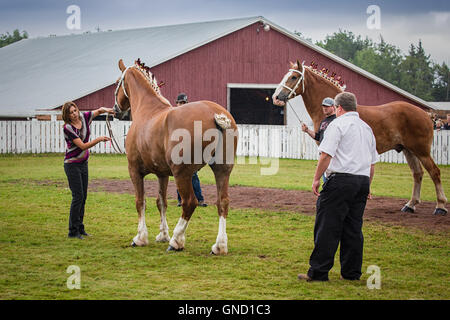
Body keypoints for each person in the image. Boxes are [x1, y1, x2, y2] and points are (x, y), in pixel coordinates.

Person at [297, 92, 378, 282]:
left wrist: (316, 179)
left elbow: (326, 155)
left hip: (340, 180)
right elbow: (372, 162)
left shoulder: (337, 125)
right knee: (353, 228)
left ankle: (318, 272)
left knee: (327, 226)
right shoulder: (366, 128)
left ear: (339, 108)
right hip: (362, 180)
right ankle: (351, 273)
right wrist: (368, 186)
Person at [62, 101, 115, 239]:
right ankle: (72, 231)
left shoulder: (84, 117)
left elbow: (99, 110)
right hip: (72, 164)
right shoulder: (68, 128)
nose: (74, 114)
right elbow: (83, 146)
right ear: (67, 115)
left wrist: (109, 110)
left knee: (83, 197)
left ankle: (80, 228)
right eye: (70, 112)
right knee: (77, 197)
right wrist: (99, 139)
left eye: (75, 110)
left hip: (83, 164)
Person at [174, 93, 207, 207]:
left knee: (193, 175)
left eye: (184, 103)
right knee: (179, 175)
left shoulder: (190, 117)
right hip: (177, 150)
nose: (182, 105)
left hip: (190, 149)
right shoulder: (172, 117)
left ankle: (198, 199)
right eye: (180, 103)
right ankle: (181, 199)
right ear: (176, 103)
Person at [302, 97, 336, 182]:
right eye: (323, 106)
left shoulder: (336, 120)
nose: (324, 108)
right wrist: (307, 130)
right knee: (325, 181)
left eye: (327, 106)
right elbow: (318, 137)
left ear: (333, 107)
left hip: (332, 155)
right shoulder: (324, 121)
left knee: (331, 181)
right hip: (323, 153)